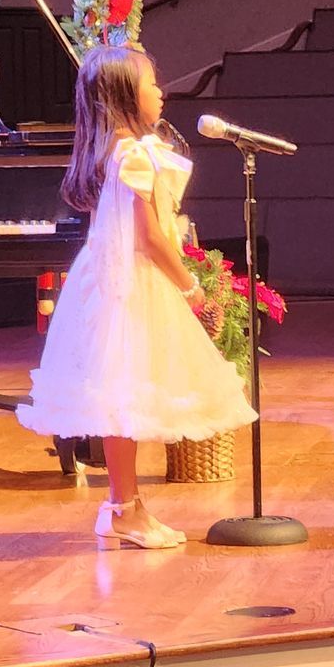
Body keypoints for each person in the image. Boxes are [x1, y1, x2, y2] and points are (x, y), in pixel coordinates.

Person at [17, 44, 256, 548]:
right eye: (152, 84)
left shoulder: (116, 150)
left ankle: (123, 505)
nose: (162, 92)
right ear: (125, 96)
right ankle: (123, 508)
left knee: (119, 395)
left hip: (108, 279)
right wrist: (191, 286)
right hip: (132, 282)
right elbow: (150, 237)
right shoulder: (138, 153)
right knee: (124, 395)